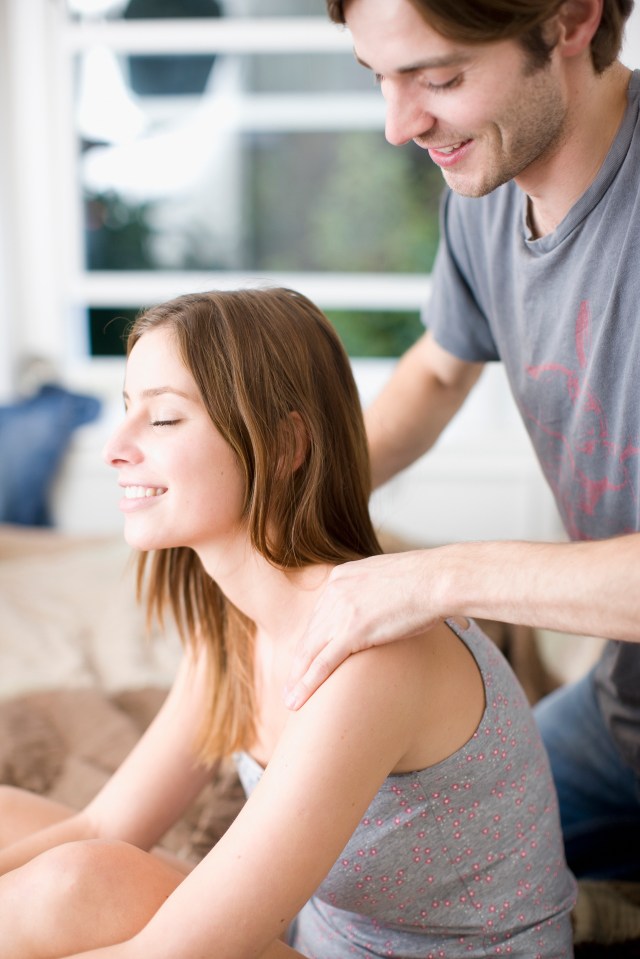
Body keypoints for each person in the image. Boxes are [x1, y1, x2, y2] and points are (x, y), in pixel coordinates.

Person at [0, 287, 575, 958]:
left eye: (163, 419)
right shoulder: (232, 627)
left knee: (79, 882)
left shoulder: (373, 657)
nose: (114, 448)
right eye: (127, 411)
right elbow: (107, 820)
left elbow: (174, 952)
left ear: (283, 444)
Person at [283, 0, 640, 882]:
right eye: (381, 79)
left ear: (571, 19)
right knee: (345, 861)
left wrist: (434, 577)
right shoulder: (485, 194)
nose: (400, 126)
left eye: (439, 78)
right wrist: (281, 502)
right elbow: (437, 373)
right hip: (622, 715)